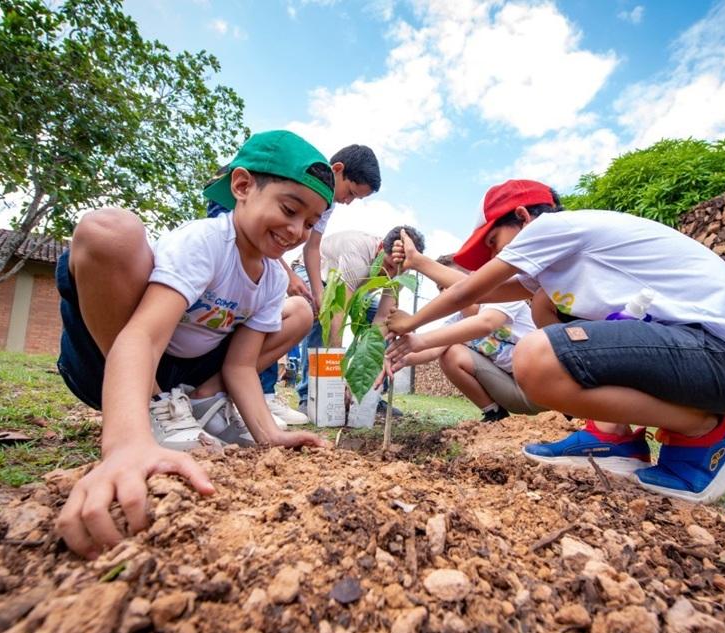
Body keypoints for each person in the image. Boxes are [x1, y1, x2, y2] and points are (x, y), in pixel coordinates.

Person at [387, 179, 725, 504]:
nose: (495, 255)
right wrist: (422, 264)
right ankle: (615, 437)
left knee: (535, 356)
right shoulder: (563, 255)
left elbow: (469, 292)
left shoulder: (550, 229)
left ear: (523, 216)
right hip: (717, 361)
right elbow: (483, 291)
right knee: (549, 324)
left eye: (493, 243)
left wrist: (413, 321)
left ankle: (710, 432)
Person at [55, 130, 330, 558]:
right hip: (112, 358)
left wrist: (268, 434)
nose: (296, 230)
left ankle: (198, 407)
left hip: (187, 371)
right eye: (289, 209)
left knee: (299, 311)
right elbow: (143, 335)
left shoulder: (274, 277)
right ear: (241, 187)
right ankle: (147, 412)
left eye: (310, 223)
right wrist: (127, 445)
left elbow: (241, 366)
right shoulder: (205, 242)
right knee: (111, 230)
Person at [208, 144, 381, 426]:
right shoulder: (299, 177)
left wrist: (318, 293)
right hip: (233, 217)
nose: (348, 201)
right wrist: (288, 274)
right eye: (350, 192)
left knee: (278, 303)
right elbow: (258, 234)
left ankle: (261, 394)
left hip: (273, 257)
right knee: (257, 294)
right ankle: (250, 397)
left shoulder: (326, 206)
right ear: (337, 170)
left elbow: (313, 248)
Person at [386, 250, 542, 422]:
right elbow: (431, 350)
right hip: (517, 392)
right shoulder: (454, 323)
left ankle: (569, 410)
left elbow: (486, 323)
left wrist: (416, 330)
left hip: (545, 383)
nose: (447, 289)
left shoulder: (504, 298)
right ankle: (494, 413)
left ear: (475, 278)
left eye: (451, 281)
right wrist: (395, 357)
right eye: (440, 287)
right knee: (451, 353)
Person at [295, 226, 427, 414]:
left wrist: (357, 377)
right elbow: (338, 311)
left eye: (398, 270)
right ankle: (309, 394)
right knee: (320, 312)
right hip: (318, 273)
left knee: (390, 323)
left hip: (357, 289)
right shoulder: (357, 252)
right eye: (388, 266)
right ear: (381, 248)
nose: (391, 274)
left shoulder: (400, 266)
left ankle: (369, 394)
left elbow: (382, 317)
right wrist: (336, 377)